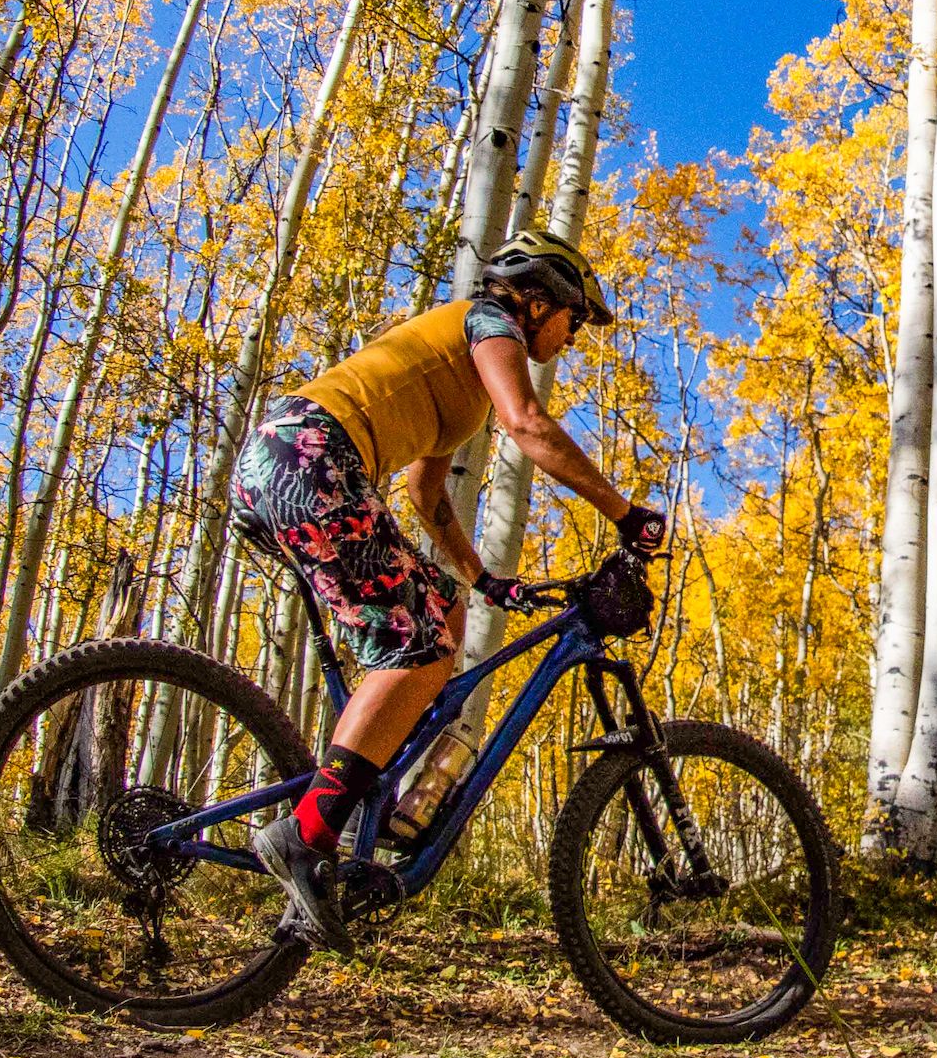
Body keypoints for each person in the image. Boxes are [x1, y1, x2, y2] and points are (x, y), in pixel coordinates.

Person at [233, 229, 667, 949]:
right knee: (419, 648)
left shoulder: (457, 378)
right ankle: (305, 836)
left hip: (293, 459)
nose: (576, 334)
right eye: (574, 318)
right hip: (311, 458)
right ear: (536, 301)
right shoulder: (486, 322)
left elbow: (428, 493)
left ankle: (383, 787)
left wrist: (481, 577)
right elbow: (527, 424)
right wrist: (627, 512)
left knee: (444, 610)